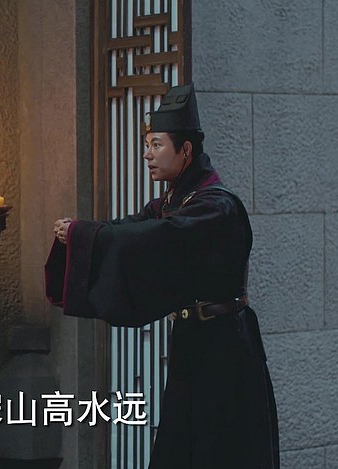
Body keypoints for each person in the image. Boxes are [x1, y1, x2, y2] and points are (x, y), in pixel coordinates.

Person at [45, 84, 279, 468]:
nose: (147, 154)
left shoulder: (216, 208)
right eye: (146, 144)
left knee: (219, 451)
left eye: (156, 145)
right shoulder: (174, 201)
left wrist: (86, 236)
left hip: (226, 348)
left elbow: (158, 237)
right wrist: (82, 232)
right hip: (192, 341)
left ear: (186, 150)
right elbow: (132, 227)